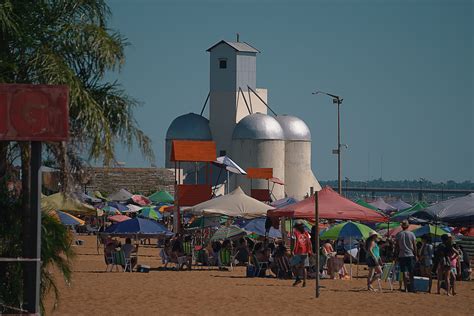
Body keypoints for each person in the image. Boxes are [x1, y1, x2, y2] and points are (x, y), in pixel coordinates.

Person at [395, 220, 417, 292]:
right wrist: (416, 255)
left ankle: (406, 288)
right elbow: (414, 245)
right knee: (411, 272)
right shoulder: (411, 234)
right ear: (408, 226)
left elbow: (397, 246)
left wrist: (396, 255)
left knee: (403, 271)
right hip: (410, 254)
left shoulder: (398, 234)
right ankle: (412, 287)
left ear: (402, 226)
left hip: (401, 255)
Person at [291, 220, 312, 287]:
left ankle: (298, 278)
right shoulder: (306, 233)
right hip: (305, 252)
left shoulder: (295, 233)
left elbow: (294, 243)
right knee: (304, 267)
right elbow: (310, 243)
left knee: (293, 265)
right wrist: (310, 250)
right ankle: (304, 282)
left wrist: (292, 250)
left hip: (298, 251)